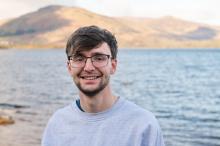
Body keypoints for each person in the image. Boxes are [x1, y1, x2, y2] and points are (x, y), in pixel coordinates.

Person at [42, 25, 165, 146]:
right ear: (69, 67)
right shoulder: (57, 124)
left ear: (113, 66)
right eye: (79, 58)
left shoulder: (143, 125)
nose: (88, 67)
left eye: (99, 58)